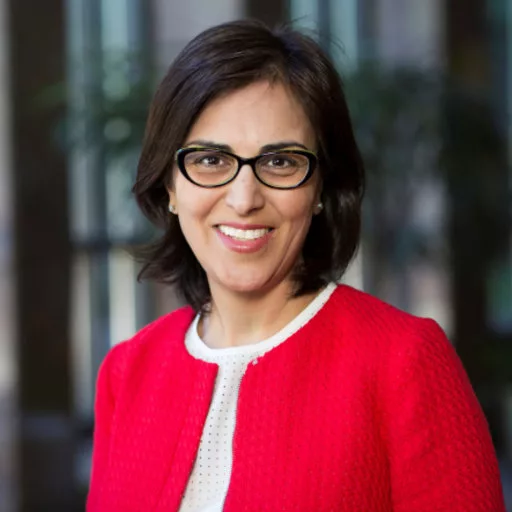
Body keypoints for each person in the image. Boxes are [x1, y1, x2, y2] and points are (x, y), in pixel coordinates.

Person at [86, 19, 506, 512]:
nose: (244, 199)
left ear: (321, 188)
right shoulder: (127, 373)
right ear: (171, 187)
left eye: (281, 162)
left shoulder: (404, 360)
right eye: (211, 160)